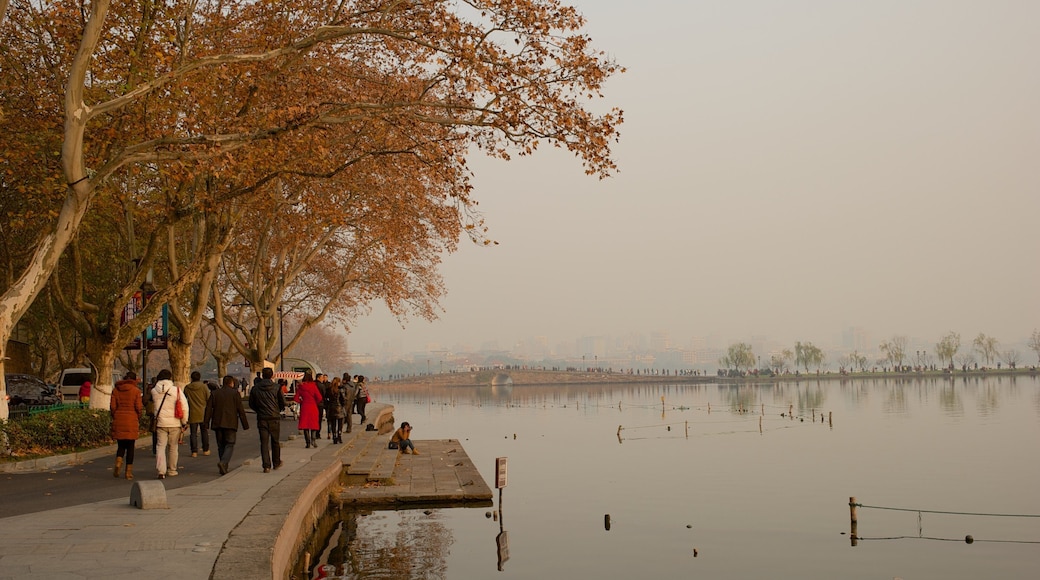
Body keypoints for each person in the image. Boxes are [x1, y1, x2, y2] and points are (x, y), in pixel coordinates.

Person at [205, 375, 250, 475]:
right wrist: (245, 424)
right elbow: (240, 410)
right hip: (230, 422)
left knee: (221, 445)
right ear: (231, 383)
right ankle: (223, 462)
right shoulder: (235, 394)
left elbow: (208, 409)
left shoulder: (215, 393)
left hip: (217, 423)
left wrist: (206, 423)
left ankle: (224, 466)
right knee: (230, 444)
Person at [150, 369, 189, 479]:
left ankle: (161, 471)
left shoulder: (154, 391)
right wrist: (184, 422)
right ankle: (172, 470)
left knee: (160, 447)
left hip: (160, 423)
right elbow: (184, 407)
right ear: (170, 377)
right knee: (173, 447)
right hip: (174, 423)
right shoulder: (176, 390)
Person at [248, 367, 285, 472]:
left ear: (262, 375)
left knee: (264, 442)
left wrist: (259, 410)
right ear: (272, 375)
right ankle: (276, 462)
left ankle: (266, 465)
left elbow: (251, 403)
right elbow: (282, 402)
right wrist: (278, 409)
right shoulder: (277, 387)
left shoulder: (255, 388)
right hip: (274, 417)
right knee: (275, 441)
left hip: (262, 417)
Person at [109, 371, 143, 480]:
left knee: (121, 445)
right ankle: (128, 472)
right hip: (131, 420)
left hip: (119, 419)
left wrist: (116, 415)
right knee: (130, 447)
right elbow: (138, 407)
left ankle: (118, 462)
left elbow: (113, 407)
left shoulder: (115, 390)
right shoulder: (136, 391)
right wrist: (138, 416)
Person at [183, 371, 211, 457]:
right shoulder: (204, 387)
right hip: (203, 412)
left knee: (193, 433)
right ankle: (205, 450)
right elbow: (209, 399)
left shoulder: (187, 387)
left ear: (191, 378)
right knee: (204, 431)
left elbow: (184, 399)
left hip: (192, 412)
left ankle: (194, 451)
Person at [294, 371, 323, 448]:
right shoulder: (314, 386)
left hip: (304, 407)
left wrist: (302, 401)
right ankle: (313, 440)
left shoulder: (301, 387)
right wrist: (314, 401)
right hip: (313, 406)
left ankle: (307, 442)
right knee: (313, 424)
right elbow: (319, 398)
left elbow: (296, 398)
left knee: (305, 425)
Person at [324, 376, 345, 444]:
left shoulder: (329, 390)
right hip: (339, 408)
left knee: (333, 424)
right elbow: (343, 400)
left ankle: (334, 436)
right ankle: (339, 435)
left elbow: (325, 398)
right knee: (340, 423)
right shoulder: (340, 390)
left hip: (331, 408)